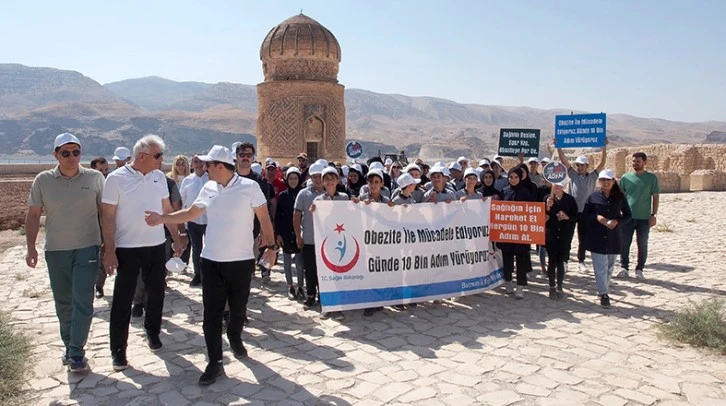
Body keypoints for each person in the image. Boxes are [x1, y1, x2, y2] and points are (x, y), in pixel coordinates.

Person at [144, 145, 276, 386]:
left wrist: (270, 248)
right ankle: (214, 361)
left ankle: (235, 337)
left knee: (238, 310)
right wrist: (163, 219)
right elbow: (192, 213)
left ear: (219, 166)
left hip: (241, 262)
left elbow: (264, 218)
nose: (204, 168)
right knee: (211, 315)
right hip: (211, 261)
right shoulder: (208, 187)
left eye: (208, 164)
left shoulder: (250, 187)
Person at [101, 134, 187, 371]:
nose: (162, 160)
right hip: (127, 248)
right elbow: (107, 216)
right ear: (142, 156)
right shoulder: (115, 179)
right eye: (158, 155)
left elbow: (166, 209)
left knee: (156, 294)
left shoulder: (159, 177)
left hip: (156, 246)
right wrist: (109, 250)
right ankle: (118, 350)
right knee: (122, 299)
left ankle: (153, 333)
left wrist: (177, 236)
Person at [25, 133, 105, 372]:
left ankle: (77, 352)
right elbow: (33, 214)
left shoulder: (94, 178)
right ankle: (69, 345)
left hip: (88, 248)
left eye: (76, 152)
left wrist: (110, 246)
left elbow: (105, 213)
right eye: (66, 153)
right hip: (56, 250)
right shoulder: (43, 180)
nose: (71, 158)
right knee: (63, 302)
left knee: (83, 300)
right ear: (55, 155)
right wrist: (31, 247)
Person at [131, 157, 184, 319]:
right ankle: (138, 301)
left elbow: (174, 209)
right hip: (137, 236)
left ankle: (149, 304)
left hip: (163, 235)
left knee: (157, 273)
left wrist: (178, 235)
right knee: (139, 272)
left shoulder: (168, 183)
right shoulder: (130, 182)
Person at [583, 169, 631, 308]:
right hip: (596, 236)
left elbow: (628, 215)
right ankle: (603, 293)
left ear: (613, 181)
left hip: (613, 236)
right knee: (600, 268)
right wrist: (597, 218)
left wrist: (617, 222)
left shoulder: (620, 197)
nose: (605, 182)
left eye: (608, 180)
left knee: (610, 267)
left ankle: (603, 288)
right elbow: (585, 215)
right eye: (602, 180)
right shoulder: (593, 197)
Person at [557, 141, 608, 272]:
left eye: (583, 165)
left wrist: (604, 148)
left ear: (587, 166)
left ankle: (581, 261)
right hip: (572, 211)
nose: (580, 168)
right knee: (567, 236)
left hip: (586, 212)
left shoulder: (592, 176)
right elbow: (564, 161)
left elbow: (602, 163)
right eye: (578, 165)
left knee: (583, 238)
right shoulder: (573, 174)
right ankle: (564, 260)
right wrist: (559, 147)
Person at [310, 167, 349, 320]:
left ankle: (338, 307)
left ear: (338, 180)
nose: (330, 181)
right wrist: (313, 211)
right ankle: (326, 307)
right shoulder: (319, 201)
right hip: (325, 242)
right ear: (323, 181)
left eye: (333, 178)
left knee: (339, 275)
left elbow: (351, 213)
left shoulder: (344, 198)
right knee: (325, 275)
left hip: (341, 241)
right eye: (327, 179)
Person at [355, 169, 394, 317]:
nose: (373, 185)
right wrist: (358, 204)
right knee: (368, 272)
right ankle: (369, 302)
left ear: (382, 183)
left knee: (380, 272)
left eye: (376, 182)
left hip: (382, 243)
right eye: (371, 182)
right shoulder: (362, 198)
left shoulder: (386, 201)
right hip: (367, 241)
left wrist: (394, 209)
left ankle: (378, 301)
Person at [617, 152, 660, 280]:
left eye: (638, 161)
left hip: (644, 218)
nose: (635, 163)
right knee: (624, 243)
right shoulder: (625, 178)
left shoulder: (652, 178)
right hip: (627, 217)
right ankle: (624, 267)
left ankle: (639, 269)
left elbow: (655, 197)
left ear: (645, 163)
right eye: (634, 161)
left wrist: (653, 214)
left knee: (642, 243)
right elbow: (620, 197)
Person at [499, 167, 536, 299]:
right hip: (507, 233)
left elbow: (531, 210)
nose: (513, 180)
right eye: (510, 177)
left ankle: (520, 286)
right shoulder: (504, 191)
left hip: (521, 233)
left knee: (521, 260)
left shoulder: (525, 192)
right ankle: (508, 282)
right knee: (507, 259)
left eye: (516, 177)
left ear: (520, 178)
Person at [294, 163, 326, 309]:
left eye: (320, 176)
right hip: (309, 239)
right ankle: (311, 295)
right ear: (310, 177)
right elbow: (296, 215)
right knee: (310, 269)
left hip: (327, 240)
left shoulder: (331, 193)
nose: (318, 179)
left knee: (325, 269)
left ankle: (323, 295)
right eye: (315, 177)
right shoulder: (303, 194)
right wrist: (298, 236)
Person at [275, 167, 306, 301]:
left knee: (299, 263)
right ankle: (290, 287)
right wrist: (278, 234)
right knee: (287, 262)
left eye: (295, 178)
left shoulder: (302, 194)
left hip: (299, 233)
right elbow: (278, 216)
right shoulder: (283, 196)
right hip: (286, 232)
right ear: (286, 180)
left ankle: (300, 286)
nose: (293, 181)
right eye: (290, 178)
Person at [544, 182, 578, 299]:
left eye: (559, 186)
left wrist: (567, 217)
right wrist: (547, 208)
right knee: (552, 261)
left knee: (561, 261)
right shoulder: (547, 199)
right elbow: (542, 215)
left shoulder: (570, 200)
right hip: (551, 234)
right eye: (555, 186)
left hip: (564, 234)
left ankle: (560, 285)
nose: (557, 189)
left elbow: (575, 216)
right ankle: (551, 286)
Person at [180, 155, 209, 287]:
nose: (198, 164)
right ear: (191, 164)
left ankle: (209, 274)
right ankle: (198, 274)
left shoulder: (211, 179)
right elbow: (183, 201)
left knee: (210, 248)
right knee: (196, 249)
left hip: (210, 220)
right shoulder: (187, 181)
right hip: (193, 221)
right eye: (196, 162)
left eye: (201, 162)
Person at [90, 157, 110, 299]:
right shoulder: (87, 182)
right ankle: (94, 286)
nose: (104, 173)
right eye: (100, 170)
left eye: (106, 170)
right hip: (91, 225)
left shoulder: (111, 181)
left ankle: (99, 285)